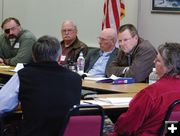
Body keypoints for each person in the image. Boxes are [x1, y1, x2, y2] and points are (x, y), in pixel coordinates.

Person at [0, 35, 82, 136]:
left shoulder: (23, 75)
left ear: (33, 56)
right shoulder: (76, 78)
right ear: (59, 56)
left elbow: (2, 105)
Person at [108, 42, 180, 136]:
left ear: (169, 67)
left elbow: (126, 127)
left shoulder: (151, 93)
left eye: (158, 60)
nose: (154, 62)